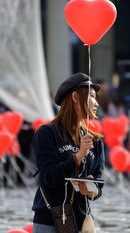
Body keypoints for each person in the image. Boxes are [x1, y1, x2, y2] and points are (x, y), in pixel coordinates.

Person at [32, 72, 105, 233]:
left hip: (81, 221)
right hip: (49, 219)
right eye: (92, 96)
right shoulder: (47, 133)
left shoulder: (96, 141)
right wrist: (78, 156)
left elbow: (99, 182)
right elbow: (48, 177)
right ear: (75, 97)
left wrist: (93, 190)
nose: (96, 103)